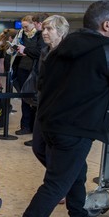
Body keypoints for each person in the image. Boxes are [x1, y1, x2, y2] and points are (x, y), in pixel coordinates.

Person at [6, 0, 109, 217]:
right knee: (56, 183)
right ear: (107, 25)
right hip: (75, 128)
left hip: (50, 123)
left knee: (75, 173)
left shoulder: (62, 49)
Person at [27, 15, 70, 206]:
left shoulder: (68, 54)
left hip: (60, 111)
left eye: (49, 29)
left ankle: (60, 187)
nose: (44, 32)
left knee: (55, 153)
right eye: (43, 29)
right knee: (38, 147)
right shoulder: (44, 52)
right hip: (43, 107)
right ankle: (62, 182)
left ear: (61, 32)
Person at [12, 15, 45, 136]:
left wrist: (26, 50)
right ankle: (25, 126)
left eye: (26, 26)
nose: (24, 29)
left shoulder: (40, 36)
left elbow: (39, 52)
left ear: (34, 24)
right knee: (25, 99)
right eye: (23, 27)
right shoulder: (21, 35)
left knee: (35, 99)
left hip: (35, 70)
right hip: (22, 68)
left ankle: (33, 126)